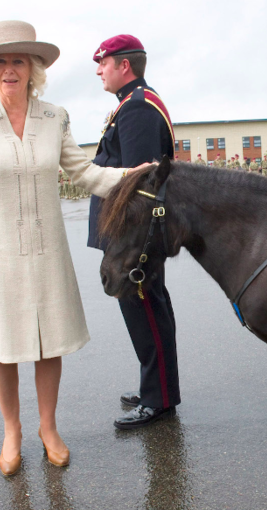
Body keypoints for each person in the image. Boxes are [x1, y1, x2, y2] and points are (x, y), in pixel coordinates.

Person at [0, 18, 140, 477]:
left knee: (49, 340)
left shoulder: (54, 117)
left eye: (18, 60)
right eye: (0, 61)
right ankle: (11, 430)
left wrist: (132, 177)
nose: (9, 69)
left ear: (34, 68)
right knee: (2, 343)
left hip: (46, 247)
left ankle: (48, 428)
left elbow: (85, 172)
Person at [88, 34, 180, 430]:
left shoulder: (137, 107)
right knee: (145, 306)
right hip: (129, 232)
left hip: (132, 233)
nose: (99, 71)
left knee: (144, 304)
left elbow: (139, 181)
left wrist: (127, 240)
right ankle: (154, 387)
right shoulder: (133, 103)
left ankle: (158, 399)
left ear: (124, 65)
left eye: (103, 64)